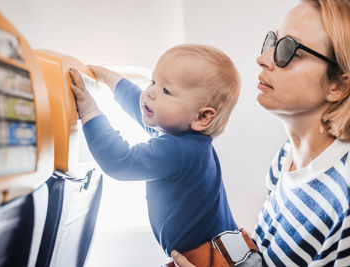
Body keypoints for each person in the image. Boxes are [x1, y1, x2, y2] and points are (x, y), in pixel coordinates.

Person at [170, 0, 350, 266]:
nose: (263, 59)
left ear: (337, 85)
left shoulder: (344, 196)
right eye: (272, 42)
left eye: (288, 49)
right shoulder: (285, 158)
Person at [69, 44, 259, 264]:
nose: (150, 92)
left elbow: (121, 161)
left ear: (202, 117)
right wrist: (111, 79)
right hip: (228, 254)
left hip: (216, 261)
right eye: (152, 82)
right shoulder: (189, 141)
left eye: (166, 91)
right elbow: (140, 106)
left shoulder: (180, 150)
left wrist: (90, 112)